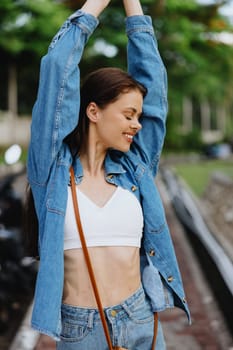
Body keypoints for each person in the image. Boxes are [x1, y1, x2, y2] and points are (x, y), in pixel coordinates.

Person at [27, 0, 191, 349]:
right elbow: (57, 69)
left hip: (142, 321)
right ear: (93, 111)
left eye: (138, 117)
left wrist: (132, 3)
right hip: (81, 331)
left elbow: (155, 88)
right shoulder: (52, 173)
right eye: (129, 114)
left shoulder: (136, 167)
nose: (136, 124)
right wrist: (94, 6)